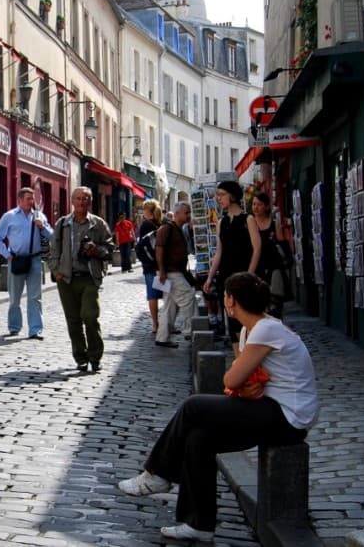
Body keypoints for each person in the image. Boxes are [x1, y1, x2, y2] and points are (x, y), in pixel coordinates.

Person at [117, 272, 319, 542]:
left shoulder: (265, 329)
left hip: (288, 417)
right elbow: (242, 383)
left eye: (225, 295)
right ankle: (198, 524)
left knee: (193, 406)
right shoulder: (251, 330)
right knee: (199, 438)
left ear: (231, 300)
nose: (223, 299)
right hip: (270, 408)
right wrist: (242, 387)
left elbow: (231, 379)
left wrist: (240, 385)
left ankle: (158, 473)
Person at [47, 186, 115, 372]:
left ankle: (95, 356)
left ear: (90, 202)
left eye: (85, 198)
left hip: (89, 277)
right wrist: (56, 270)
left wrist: (96, 250)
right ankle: (80, 357)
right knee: (73, 320)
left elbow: (110, 250)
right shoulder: (62, 223)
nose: (82, 202)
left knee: (90, 316)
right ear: (72, 201)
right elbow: (53, 249)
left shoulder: (98, 224)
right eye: (78, 198)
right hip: (66, 279)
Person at [0, 187, 54, 339]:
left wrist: (42, 226)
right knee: (14, 297)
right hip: (17, 260)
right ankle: (14, 327)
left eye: (32, 199)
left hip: (35, 260)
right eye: (28, 199)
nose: (31, 202)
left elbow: (52, 236)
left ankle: (35, 330)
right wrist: (7, 255)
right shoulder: (9, 216)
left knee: (35, 297)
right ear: (19, 200)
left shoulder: (39, 216)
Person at [202, 181, 260, 337]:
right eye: (217, 195)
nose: (218, 199)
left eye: (221, 195)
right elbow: (219, 252)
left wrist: (249, 275)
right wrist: (210, 277)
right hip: (226, 276)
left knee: (246, 319)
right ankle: (237, 350)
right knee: (232, 321)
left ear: (233, 196)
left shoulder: (248, 219)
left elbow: (257, 249)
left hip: (244, 274)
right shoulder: (222, 222)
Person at [154, 202, 195, 348]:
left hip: (174, 271)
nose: (189, 215)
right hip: (171, 273)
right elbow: (159, 249)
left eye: (189, 212)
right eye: (186, 212)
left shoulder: (178, 228)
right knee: (188, 298)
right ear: (177, 214)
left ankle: (162, 338)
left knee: (170, 306)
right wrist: (162, 271)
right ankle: (191, 331)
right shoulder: (166, 228)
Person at [251, 192, 290, 317]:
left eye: (259, 204)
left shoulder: (273, 223)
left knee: (276, 298)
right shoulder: (250, 224)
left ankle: (277, 322)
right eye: (254, 204)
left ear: (267, 206)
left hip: (273, 265)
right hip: (258, 266)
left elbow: (282, 242)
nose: (256, 207)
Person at [137, 200, 164, 334]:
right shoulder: (161, 223)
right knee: (165, 294)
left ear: (148, 211)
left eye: (143, 209)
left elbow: (142, 246)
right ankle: (165, 323)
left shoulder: (146, 224)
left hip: (150, 265)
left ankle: (155, 324)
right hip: (161, 265)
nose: (142, 212)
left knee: (153, 295)